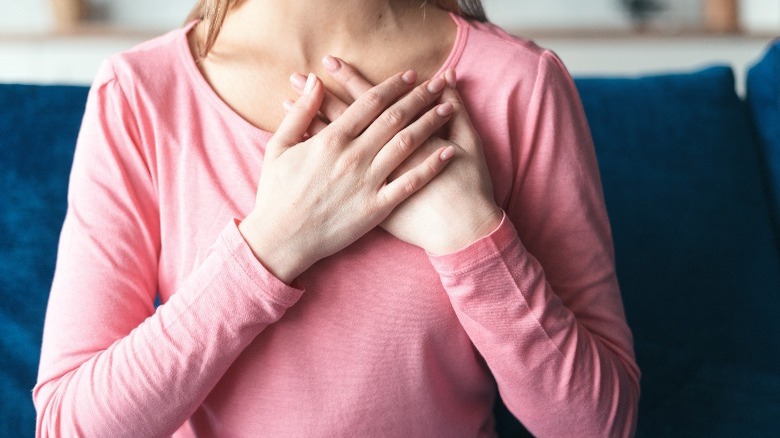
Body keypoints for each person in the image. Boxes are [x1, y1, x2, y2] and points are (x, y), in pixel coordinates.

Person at [33, 0, 640, 436]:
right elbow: (68, 425)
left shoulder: (520, 86)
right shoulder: (141, 93)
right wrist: (272, 245)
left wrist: (472, 237)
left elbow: (599, 425)